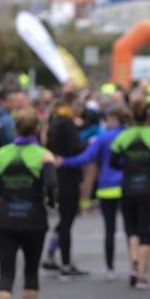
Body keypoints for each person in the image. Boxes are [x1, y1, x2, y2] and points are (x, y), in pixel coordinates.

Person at [0, 108, 58, 299]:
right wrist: (49, 201)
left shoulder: (1, 155)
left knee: (5, 272)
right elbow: (51, 186)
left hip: (5, 220)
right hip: (33, 220)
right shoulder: (44, 156)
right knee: (30, 271)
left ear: (15, 128)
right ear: (37, 129)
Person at [60, 104, 130, 280]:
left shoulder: (103, 138)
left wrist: (63, 162)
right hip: (127, 187)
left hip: (107, 188)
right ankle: (136, 266)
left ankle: (110, 268)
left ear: (113, 118)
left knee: (110, 230)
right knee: (132, 230)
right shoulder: (129, 135)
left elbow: (85, 158)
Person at [111, 96, 150, 289]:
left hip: (128, 187)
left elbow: (112, 162)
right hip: (148, 188)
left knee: (131, 229)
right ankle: (142, 275)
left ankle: (134, 262)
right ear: (148, 116)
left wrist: (128, 166)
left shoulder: (123, 136)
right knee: (146, 232)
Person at [44, 90, 88, 279]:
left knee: (64, 219)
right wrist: (90, 143)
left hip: (60, 174)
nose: (81, 109)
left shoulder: (57, 122)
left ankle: (51, 255)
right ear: (68, 104)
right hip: (67, 176)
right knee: (66, 219)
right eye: (78, 105)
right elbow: (77, 148)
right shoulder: (66, 124)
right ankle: (65, 262)